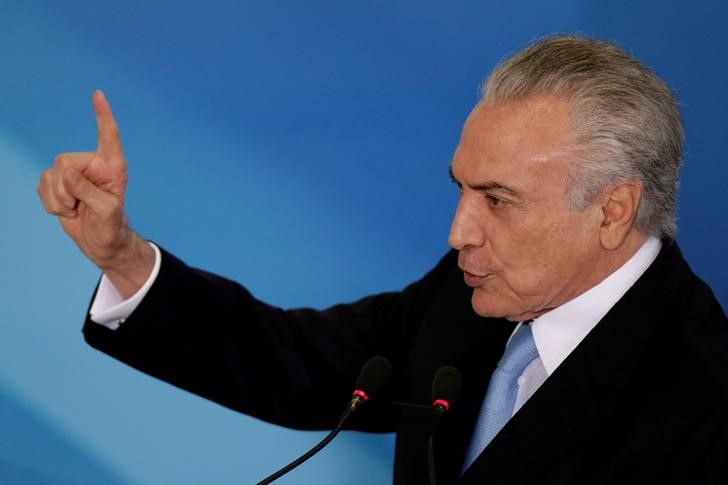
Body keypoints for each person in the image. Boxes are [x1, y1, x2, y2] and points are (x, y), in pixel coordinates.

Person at [37, 34, 727, 484]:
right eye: (461, 188)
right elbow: (295, 361)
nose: (460, 231)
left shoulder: (701, 401)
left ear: (612, 210)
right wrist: (123, 256)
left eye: (498, 199)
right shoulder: (470, 292)